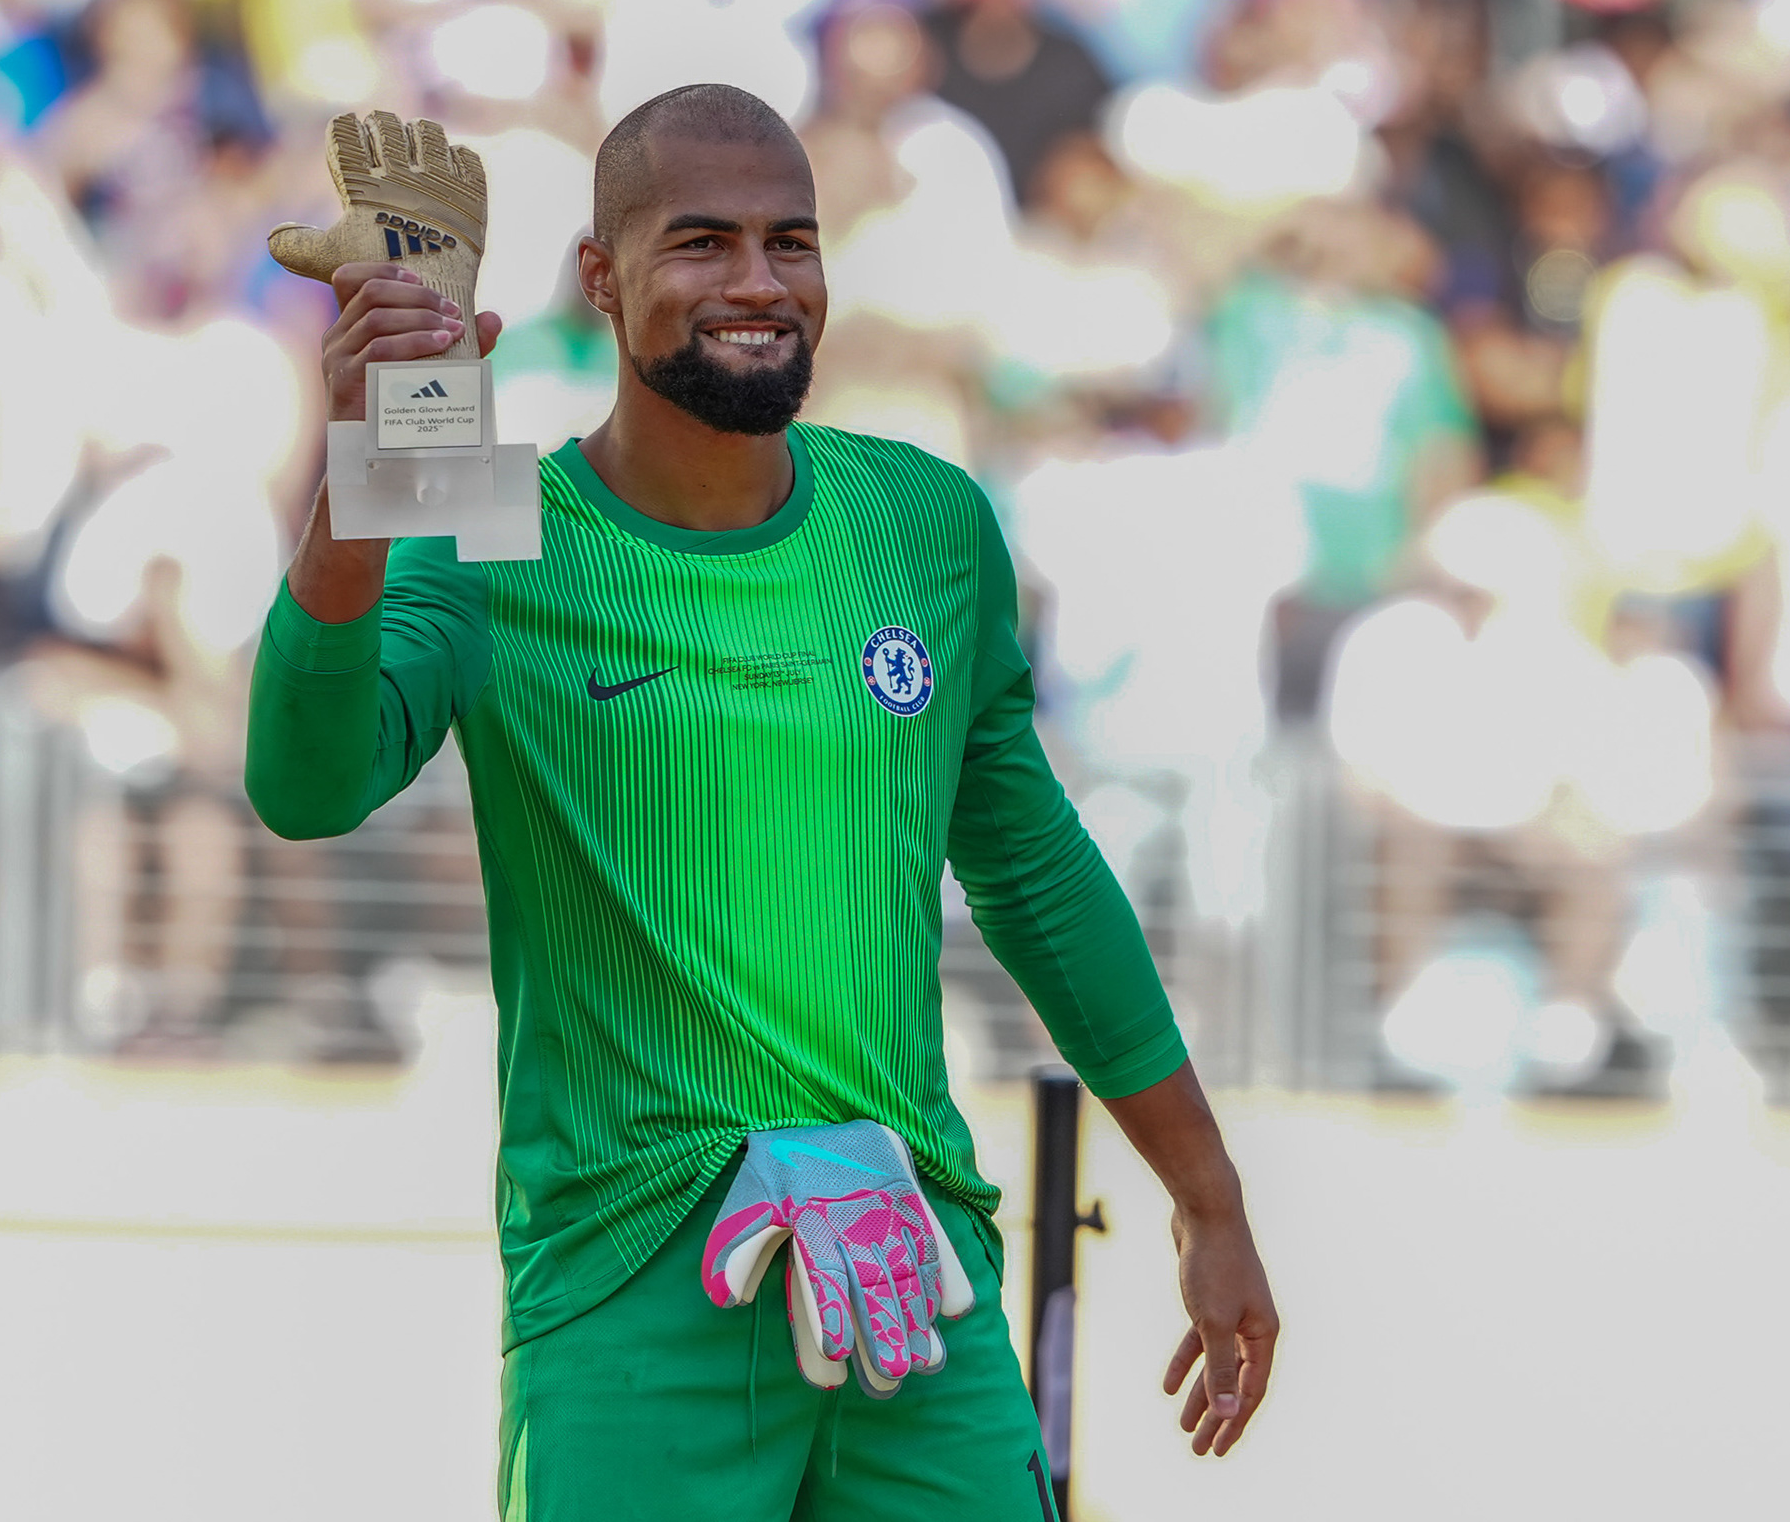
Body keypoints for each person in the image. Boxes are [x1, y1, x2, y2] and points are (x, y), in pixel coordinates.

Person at [244, 83, 1276, 1520]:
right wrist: (386, 429)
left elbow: (1039, 878)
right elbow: (304, 786)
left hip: (912, 1272)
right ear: (600, 281)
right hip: (627, 1285)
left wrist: (1206, 1193)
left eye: (791, 242)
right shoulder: (492, 523)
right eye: (701, 242)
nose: (756, 283)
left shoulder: (923, 520)